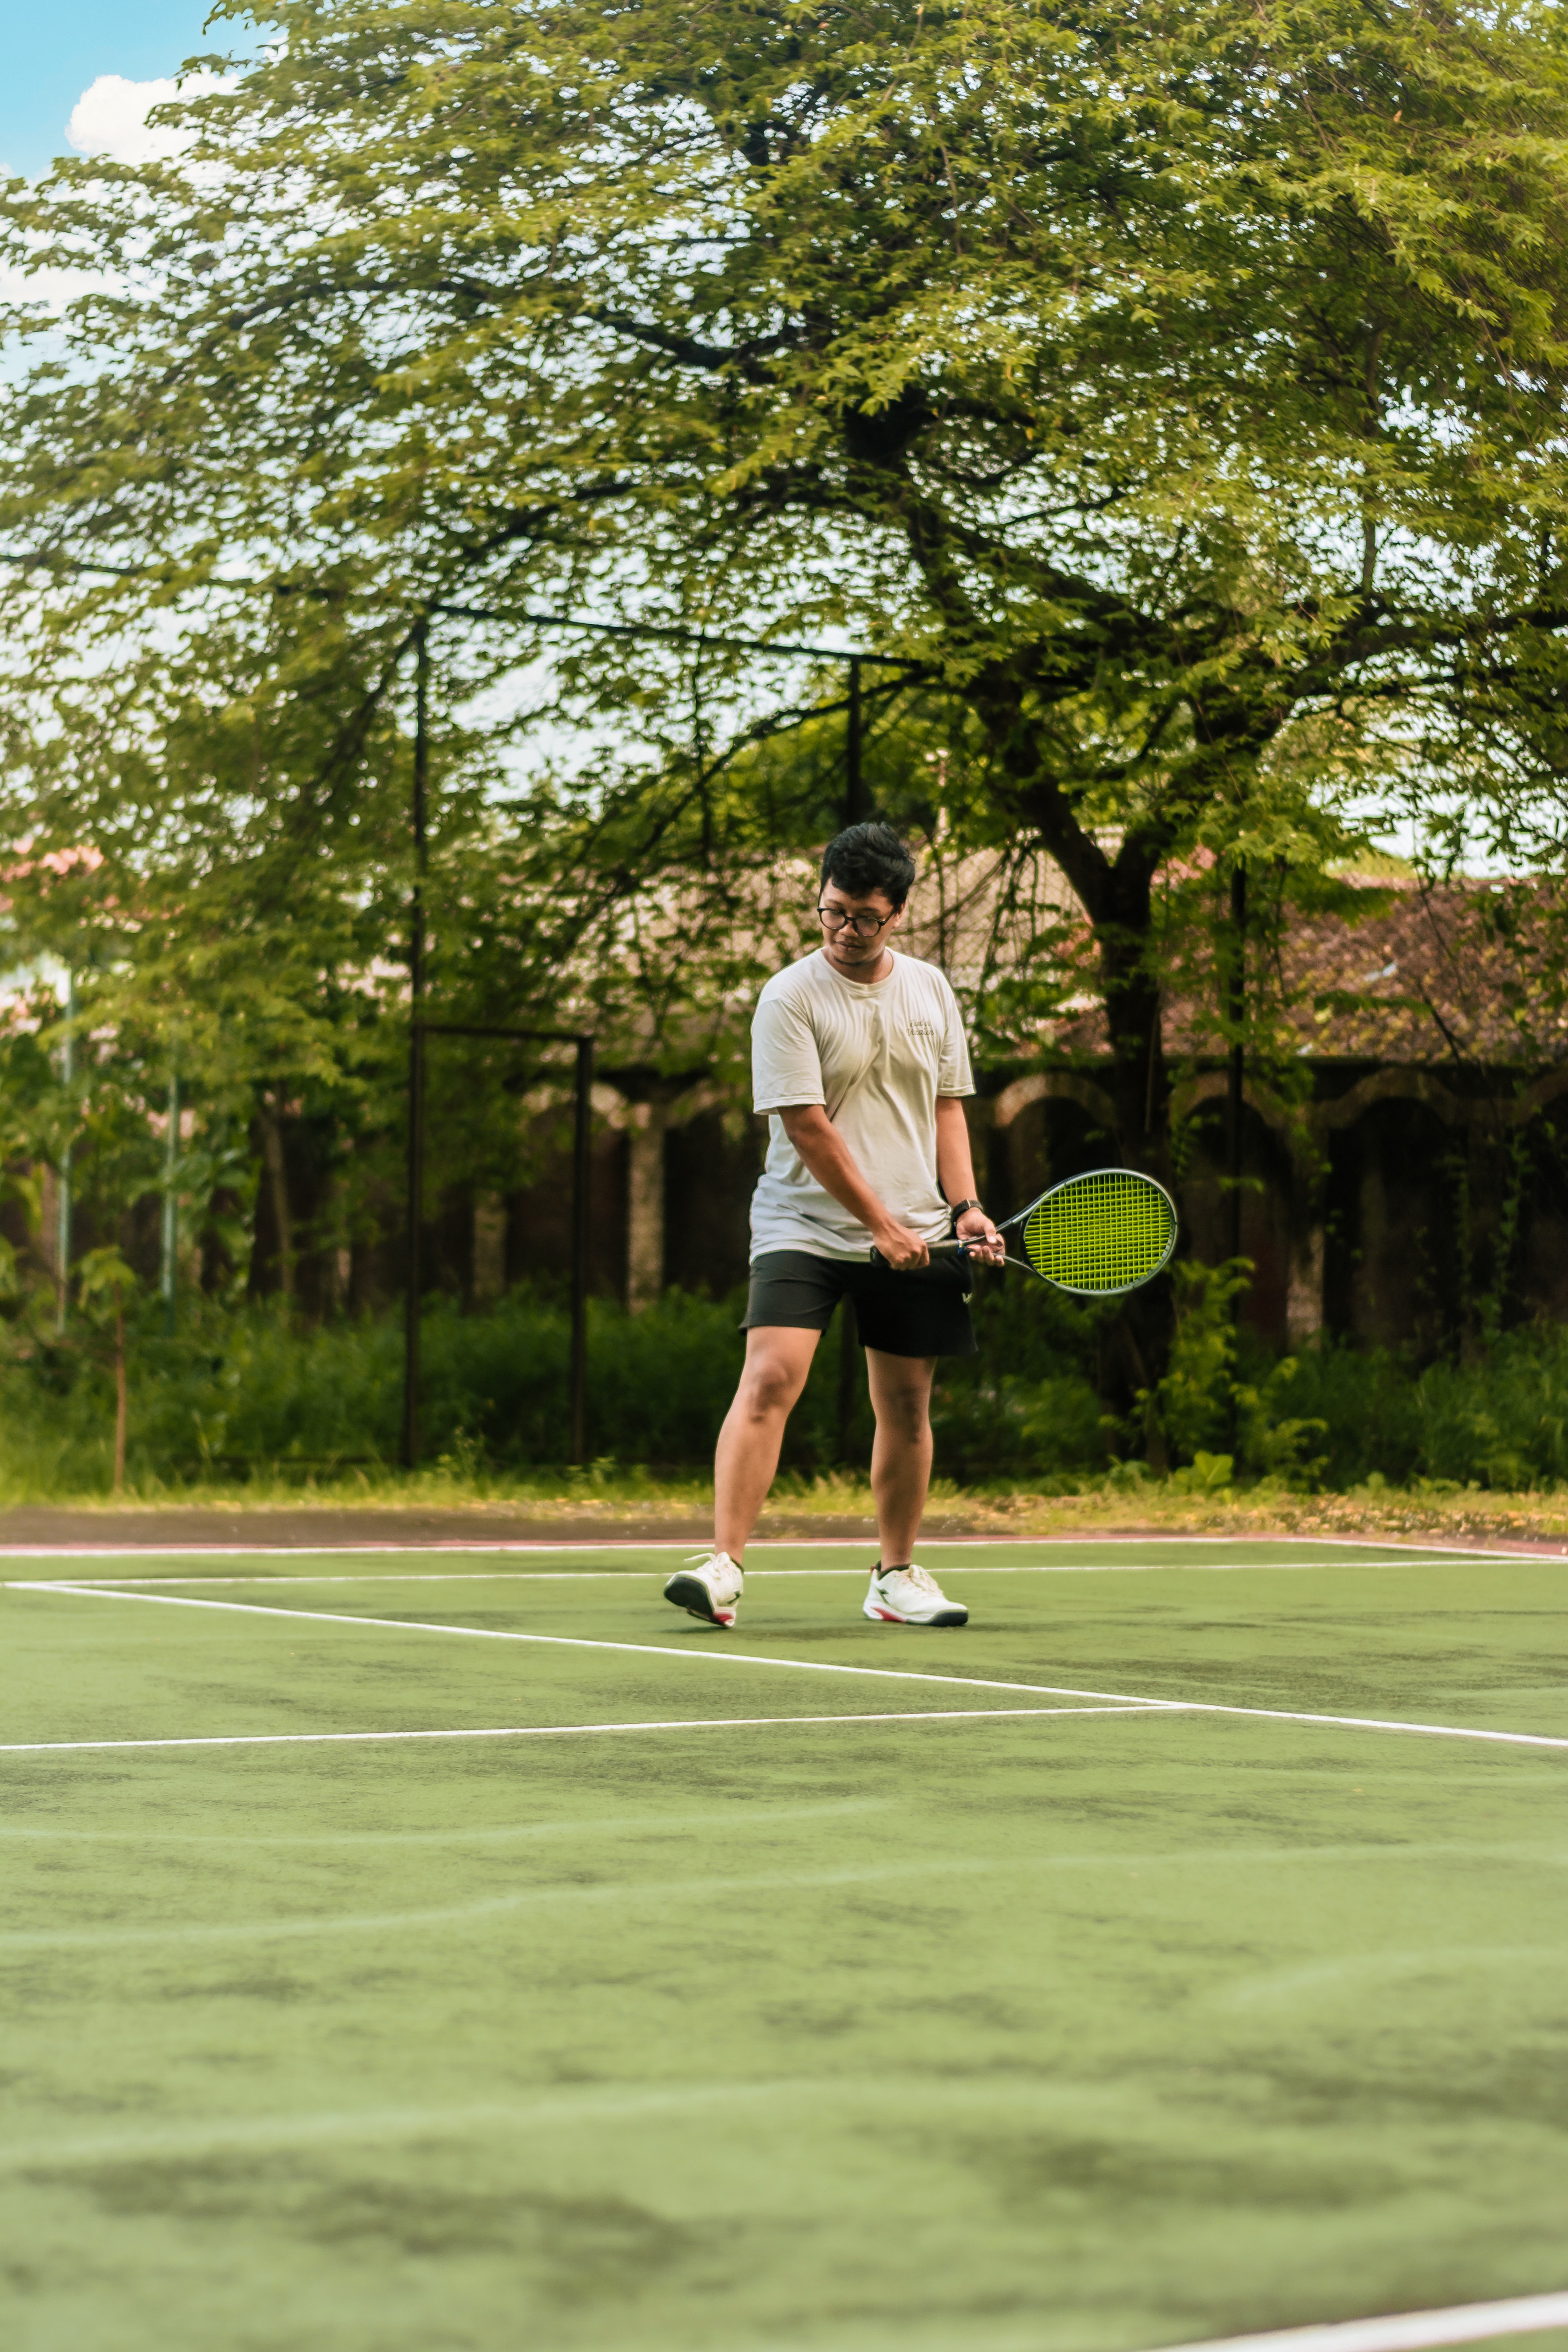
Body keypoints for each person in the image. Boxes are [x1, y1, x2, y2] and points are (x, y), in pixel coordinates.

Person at [663, 821, 1003, 1632]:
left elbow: (947, 1110)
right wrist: (880, 1224)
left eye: (866, 917)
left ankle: (894, 1575)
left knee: (908, 1406)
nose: (846, 930)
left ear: (899, 914)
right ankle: (722, 1568)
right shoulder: (788, 996)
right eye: (832, 911)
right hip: (803, 1224)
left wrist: (964, 1208)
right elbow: (809, 1127)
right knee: (771, 1378)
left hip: (919, 1227)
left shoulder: (929, 990)